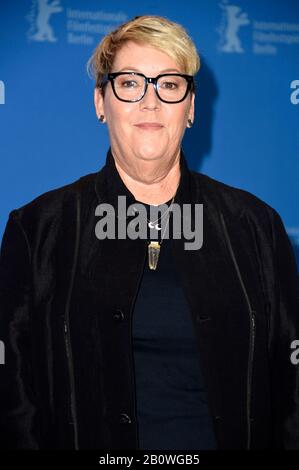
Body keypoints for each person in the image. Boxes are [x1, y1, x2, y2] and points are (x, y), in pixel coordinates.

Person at [0, 14, 298, 450]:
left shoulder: (255, 226)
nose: (150, 102)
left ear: (191, 107)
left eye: (169, 84)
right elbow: (13, 397)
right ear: (101, 102)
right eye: (130, 83)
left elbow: (292, 387)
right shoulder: (38, 229)